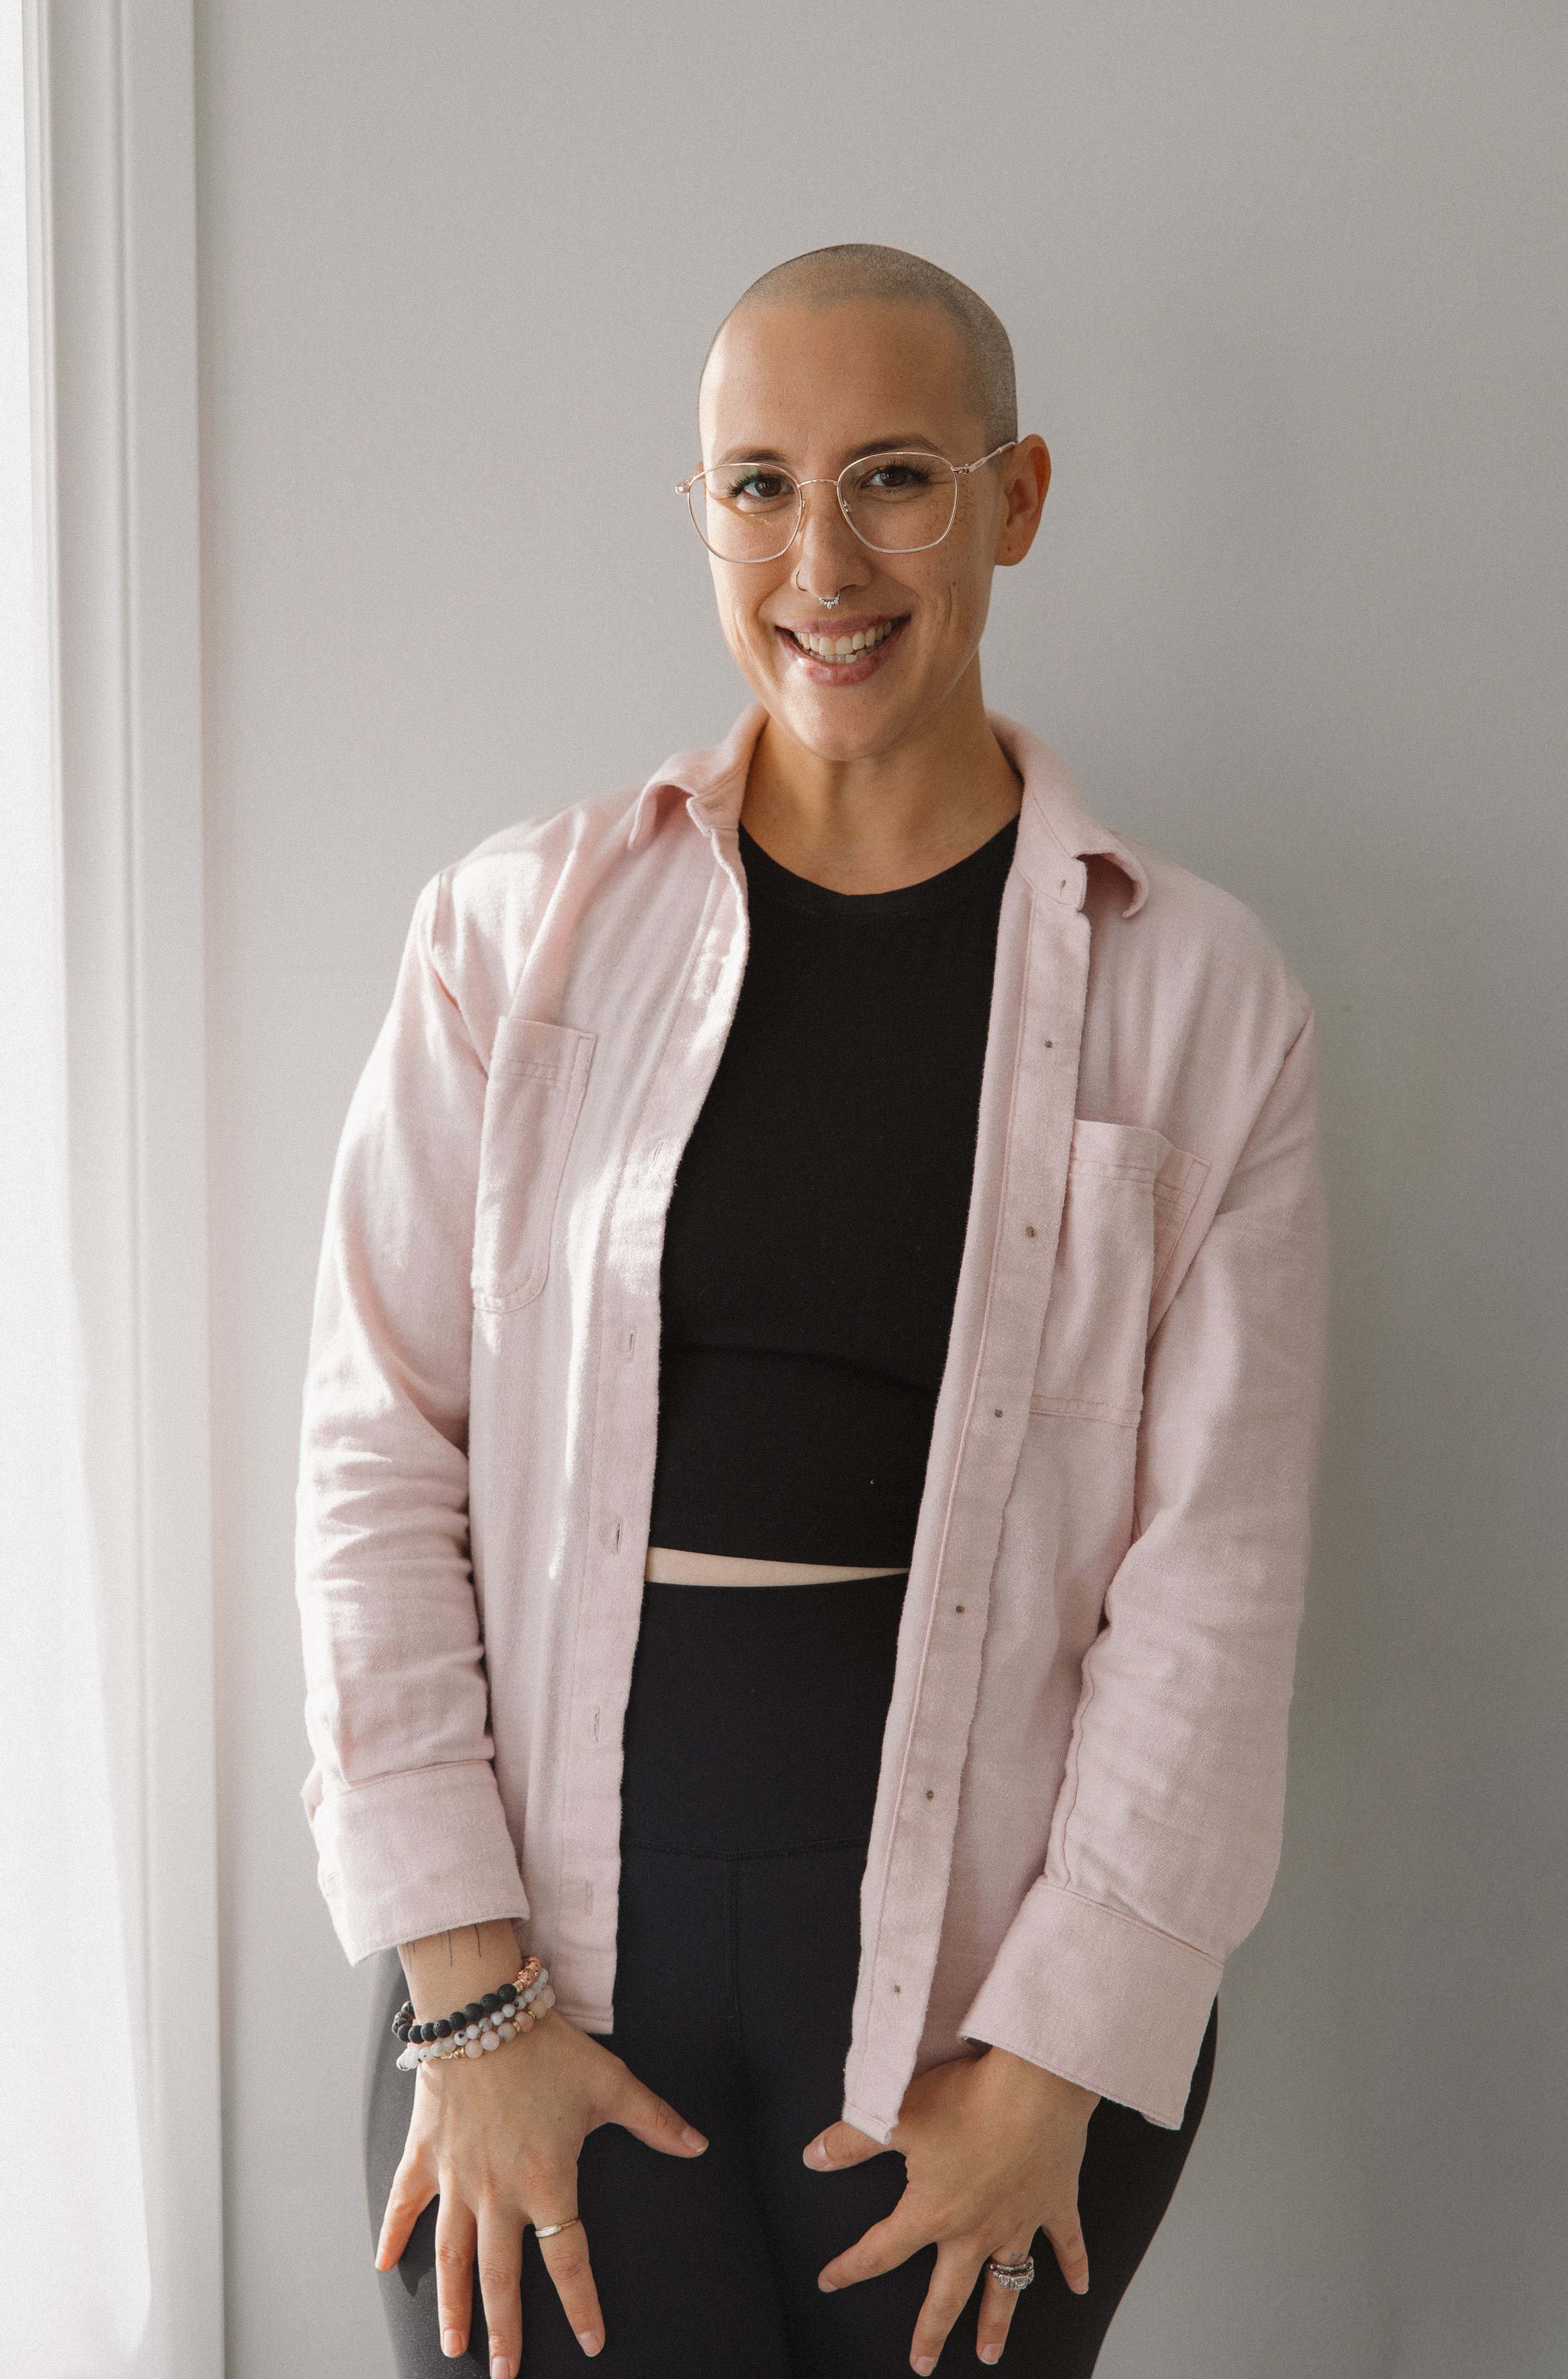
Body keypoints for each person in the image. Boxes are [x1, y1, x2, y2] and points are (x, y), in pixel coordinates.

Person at [295, 243, 1327, 2379]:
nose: (819, 559)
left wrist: (1059, 2057)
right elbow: (376, 1457)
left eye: (891, 480)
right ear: (697, 513)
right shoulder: (510, 938)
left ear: (1015, 497)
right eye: (755, 487)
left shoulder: (1196, 992)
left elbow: (1212, 1572)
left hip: (999, 1999)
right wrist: (468, 2004)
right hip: (543, 1954)